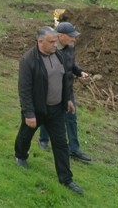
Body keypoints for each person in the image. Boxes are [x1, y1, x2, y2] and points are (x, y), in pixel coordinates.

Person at [15, 26, 84, 195]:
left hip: (56, 110)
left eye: (55, 41)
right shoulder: (28, 60)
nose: (55, 44)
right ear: (40, 41)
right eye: (51, 42)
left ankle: (66, 179)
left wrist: (67, 99)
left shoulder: (58, 55)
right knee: (26, 135)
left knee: (61, 144)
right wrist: (29, 113)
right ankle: (20, 156)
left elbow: (64, 79)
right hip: (37, 109)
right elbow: (24, 89)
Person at [37, 22, 93, 162]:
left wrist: (79, 72)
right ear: (60, 36)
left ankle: (74, 149)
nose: (74, 39)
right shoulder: (50, 48)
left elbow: (72, 64)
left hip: (67, 89)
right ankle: (43, 140)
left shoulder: (70, 47)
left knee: (71, 118)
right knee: (48, 114)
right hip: (53, 89)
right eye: (71, 36)